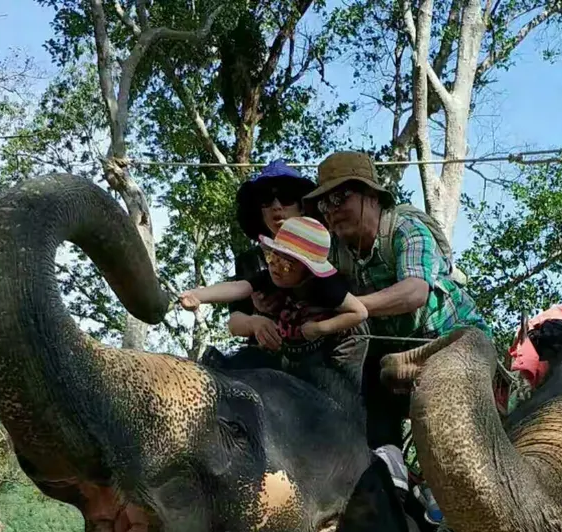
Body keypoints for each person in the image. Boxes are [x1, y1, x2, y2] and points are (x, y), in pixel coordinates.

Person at [304, 151, 491, 454]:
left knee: (450, 424)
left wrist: (354, 307)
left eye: (340, 197)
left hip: (454, 342)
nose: (332, 211)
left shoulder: (407, 229)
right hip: (392, 352)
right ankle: (387, 462)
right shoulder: (334, 251)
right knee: (357, 376)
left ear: (372, 198)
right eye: (324, 204)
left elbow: (414, 292)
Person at [180, 216, 368, 393]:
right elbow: (239, 287)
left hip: (331, 362)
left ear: (310, 271)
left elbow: (359, 312)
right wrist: (198, 295)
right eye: (273, 257)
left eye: (286, 264)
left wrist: (320, 328)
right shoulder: (270, 278)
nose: (275, 268)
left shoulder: (328, 287)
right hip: (290, 360)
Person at [228, 159, 318, 351]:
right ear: (259, 211)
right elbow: (234, 320)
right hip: (266, 356)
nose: (277, 206)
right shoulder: (249, 260)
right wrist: (254, 322)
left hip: (319, 349)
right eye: (266, 200)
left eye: (286, 197)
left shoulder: (323, 250)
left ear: (302, 206)